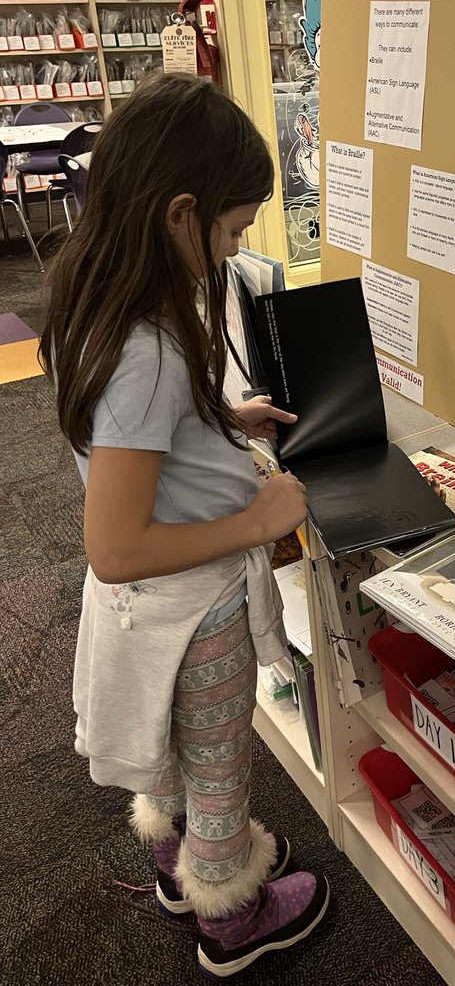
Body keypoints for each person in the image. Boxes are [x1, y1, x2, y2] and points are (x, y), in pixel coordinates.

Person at [39, 73, 330, 977]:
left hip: (145, 617)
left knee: (168, 757)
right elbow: (116, 545)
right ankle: (230, 915)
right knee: (217, 771)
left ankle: (176, 862)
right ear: (179, 216)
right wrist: (258, 519)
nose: (235, 249)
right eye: (236, 231)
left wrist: (221, 419)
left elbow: (130, 443)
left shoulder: (96, 299)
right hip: (191, 609)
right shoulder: (148, 352)